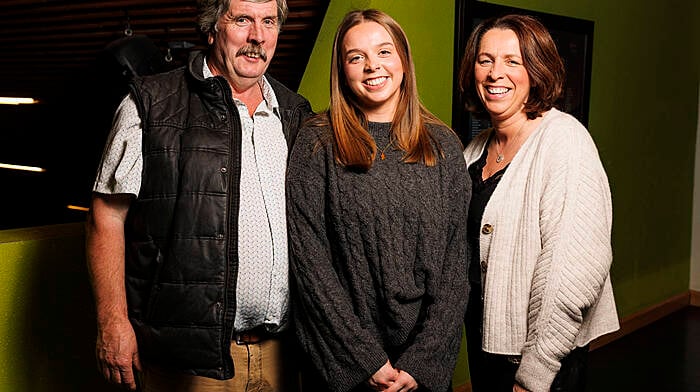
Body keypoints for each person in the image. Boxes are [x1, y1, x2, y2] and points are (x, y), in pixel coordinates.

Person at [85, 0, 312, 390]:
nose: (257, 36)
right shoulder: (151, 103)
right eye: (242, 20)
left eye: (269, 22)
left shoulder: (295, 112)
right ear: (211, 28)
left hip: (281, 352)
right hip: (189, 362)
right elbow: (105, 216)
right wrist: (113, 322)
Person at [286, 9, 470, 392]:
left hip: (420, 370)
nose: (373, 66)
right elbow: (310, 264)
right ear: (343, 69)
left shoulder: (444, 146)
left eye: (384, 52)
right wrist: (364, 360)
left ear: (403, 60)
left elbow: (455, 269)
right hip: (345, 364)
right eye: (356, 57)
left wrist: (421, 362)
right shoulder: (316, 142)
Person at [458, 14, 619, 392]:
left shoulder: (564, 141)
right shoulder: (475, 150)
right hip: (487, 346)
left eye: (512, 61)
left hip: (542, 362)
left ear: (536, 71)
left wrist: (536, 373)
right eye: (486, 60)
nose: (496, 73)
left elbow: (573, 269)